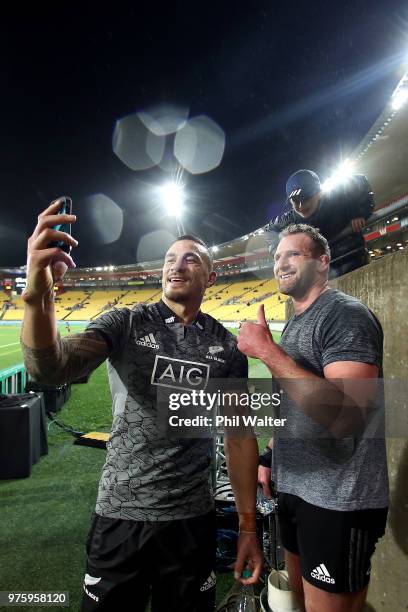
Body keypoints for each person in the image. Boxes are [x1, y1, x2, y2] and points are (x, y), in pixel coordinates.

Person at [21, 198, 262, 612]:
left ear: (211, 275)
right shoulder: (125, 323)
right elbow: (51, 368)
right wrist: (36, 296)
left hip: (191, 522)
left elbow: (240, 439)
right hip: (121, 516)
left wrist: (247, 527)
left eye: (191, 259)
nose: (177, 265)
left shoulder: (227, 348)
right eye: (170, 258)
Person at [237, 224, 388, 612]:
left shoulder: (345, 316)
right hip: (297, 490)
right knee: (297, 604)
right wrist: (272, 456)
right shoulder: (297, 322)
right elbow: (296, 405)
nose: (280, 263)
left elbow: (346, 417)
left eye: (293, 254)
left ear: (323, 262)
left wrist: (267, 352)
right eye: (276, 257)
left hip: (339, 500)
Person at [265, 169, 375, 277]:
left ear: (319, 193)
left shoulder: (337, 197)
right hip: (325, 273)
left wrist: (358, 212)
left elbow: (360, 182)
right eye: (295, 201)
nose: (301, 206)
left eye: (306, 198)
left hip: (355, 260)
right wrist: (281, 252)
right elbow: (270, 230)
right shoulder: (291, 219)